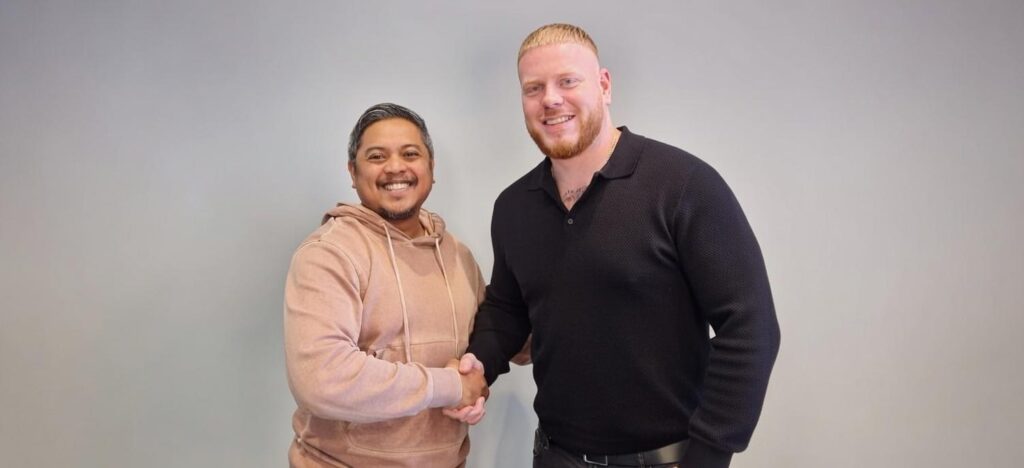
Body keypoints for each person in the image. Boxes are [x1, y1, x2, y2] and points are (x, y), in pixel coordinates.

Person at [451, 24, 781, 468]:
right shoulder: (514, 206)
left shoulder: (683, 185)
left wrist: (709, 454)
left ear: (604, 86)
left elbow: (750, 326)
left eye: (568, 81)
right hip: (555, 456)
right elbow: (508, 309)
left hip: (667, 459)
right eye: (534, 88)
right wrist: (479, 364)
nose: (551, 99)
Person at [283, 103, 489, 467]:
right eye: (377, 156)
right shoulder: (328, 254)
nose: (395, 167)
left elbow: (493, 339)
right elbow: (323, 379)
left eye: (410, 154)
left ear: (431, 167)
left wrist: (477, 384)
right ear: (353, 171)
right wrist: (452, 387)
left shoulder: (457, 255)